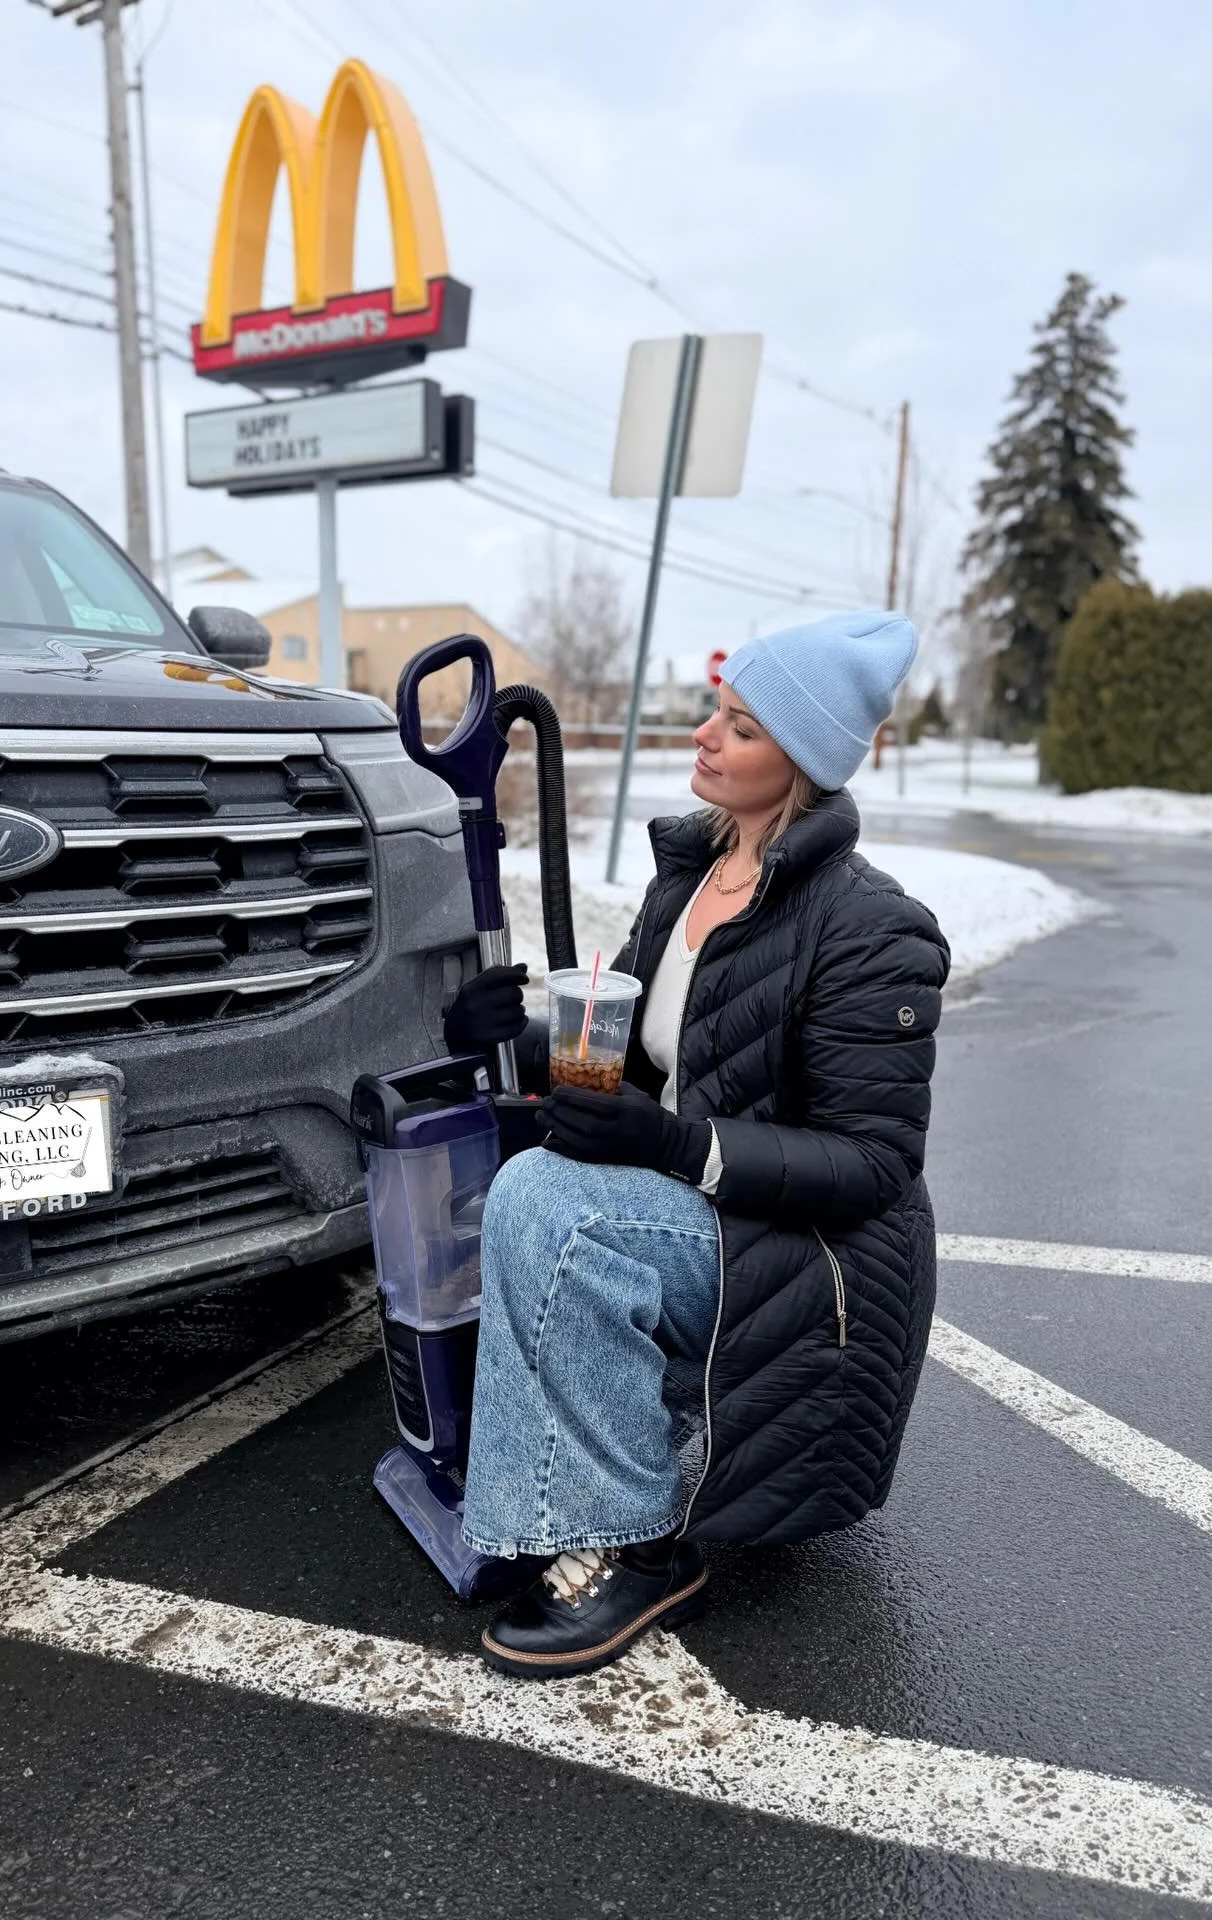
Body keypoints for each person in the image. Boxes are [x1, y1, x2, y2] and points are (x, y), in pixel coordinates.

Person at [441, 609, 951, 1680]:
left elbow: (872, 1166)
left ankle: (639, 1543)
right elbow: (625, 1068)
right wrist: (522, 1034)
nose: (707, 738)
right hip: (710, 1209)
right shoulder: (689, 880)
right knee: (537, 1174)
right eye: (716, 712)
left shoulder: (871, 928)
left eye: (743, 727)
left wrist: (673, 1144)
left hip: (813, 1254)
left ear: (803, 762)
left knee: (551, 1203)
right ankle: (549, 1500)